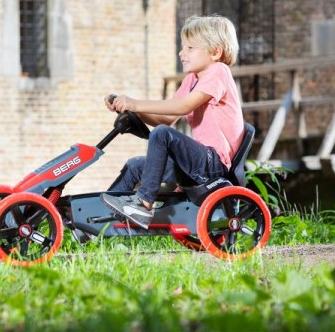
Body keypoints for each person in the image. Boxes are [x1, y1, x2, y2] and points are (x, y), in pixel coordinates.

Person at [101, 14, 244, 229]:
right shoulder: (192, 79)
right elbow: (166, 119)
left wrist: (137, 104)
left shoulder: (218, 72)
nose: (181, 53)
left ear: (215, 52)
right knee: (134, 166)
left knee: (160, 134)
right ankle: (101, 220)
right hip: (194, 164)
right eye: (182, 47)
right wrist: (131, 110)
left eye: (190, 48)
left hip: (213, 164)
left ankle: (143, 203)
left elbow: (183, 107)